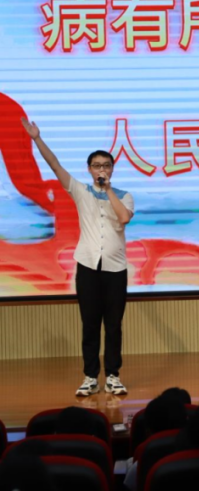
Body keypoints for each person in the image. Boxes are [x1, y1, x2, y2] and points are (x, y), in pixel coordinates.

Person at [21, 118, 133, 396]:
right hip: (87, 267)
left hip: (116, 269)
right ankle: (90, 377)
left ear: (112, 169)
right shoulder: (81, 191)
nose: (101, 169)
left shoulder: (124, 195)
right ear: (89, 169)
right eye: (96, 165)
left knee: (114, 326)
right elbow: (55, 165)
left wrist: (108, 190)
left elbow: (123, 218)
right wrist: (37, 139)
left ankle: (113, 376)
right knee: (90, 324)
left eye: (106, 165)